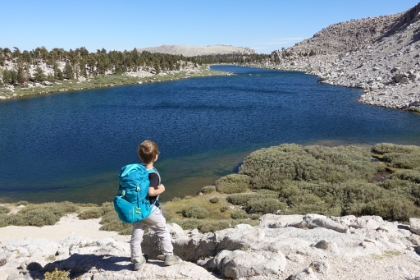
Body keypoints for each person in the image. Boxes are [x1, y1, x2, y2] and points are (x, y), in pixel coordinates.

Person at [130, 140, 181, 271]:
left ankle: (137, 260)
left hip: (138, 210)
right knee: (163, 231)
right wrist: (161, 189)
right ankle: (169, 256)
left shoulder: (136, 171)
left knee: (136, 235)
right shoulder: (152, 174)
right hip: (151, 210)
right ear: (155, 156)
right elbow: (151, 192)